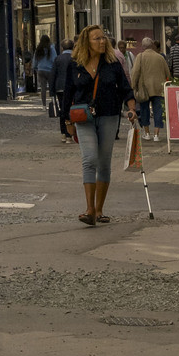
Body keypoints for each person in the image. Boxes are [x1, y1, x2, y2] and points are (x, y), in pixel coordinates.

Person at [60, 24, 135, 224]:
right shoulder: (75, 63)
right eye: (97, 39)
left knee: (103, 162)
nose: (102, 42)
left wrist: (131, 107)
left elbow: (125, 87)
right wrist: (66, 120)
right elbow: (67, 93)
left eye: (103, 38)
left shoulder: (112, 63)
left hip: (109, 115)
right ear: (87, 42)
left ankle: (100, 209)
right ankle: (90, 209)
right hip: (84, 117)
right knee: (89, 159)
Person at [131, 36, 169, 133]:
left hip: (144, 89)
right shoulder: (160, 57)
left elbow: (135, 72)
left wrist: (133, 85)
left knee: (144, 110)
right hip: (158, 88)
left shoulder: (140, 56)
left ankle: (147, 133)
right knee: (158, 111)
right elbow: (167, 73)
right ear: (152, 45)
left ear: (143, 46)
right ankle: (157, 134)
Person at [46, 40, 77, 136]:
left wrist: (51, 90)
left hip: (60, 88)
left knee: (63, 109)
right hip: (74, 88)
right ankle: (71, 130)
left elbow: (53, 75)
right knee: (73, 109)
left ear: (62, 48)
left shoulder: (58, 59)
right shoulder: (75, 58)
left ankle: (64, 132)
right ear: (73, 47)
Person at [34, 32, 56, 114]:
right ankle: (53, 104)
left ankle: (44, 106)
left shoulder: (38, 49)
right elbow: (54, 59)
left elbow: (35, 60)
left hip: (41, 70)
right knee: (51, 88)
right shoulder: (51, 48)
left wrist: (35, 67)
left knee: (43, 88)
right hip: (50, 70)